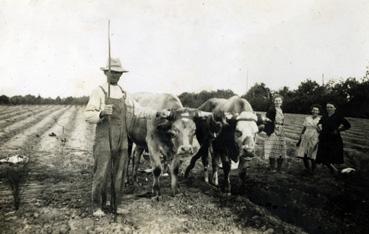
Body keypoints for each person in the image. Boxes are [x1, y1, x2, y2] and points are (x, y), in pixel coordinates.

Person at [84, 57, 155, 217]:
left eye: (119, 73)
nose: (117, 76)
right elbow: (88, 115)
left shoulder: (123, 93)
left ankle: (117, 204)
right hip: (104, 137)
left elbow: (139, 110)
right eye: (114, 73)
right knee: (102, 171)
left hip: (122, 137)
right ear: (106, 73)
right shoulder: (99, 91)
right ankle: (97, 206)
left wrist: (157, 113)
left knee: (120, 172)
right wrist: (101, 112)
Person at [315, 102, 351, 174]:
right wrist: (318, 129)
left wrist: (338, 130)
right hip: (323, 138)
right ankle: (335, 171)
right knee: (322, 156)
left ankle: (335, 172)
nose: (329, 109)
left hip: (334, 139)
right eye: (327, 107)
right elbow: (318, 124)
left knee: (330, 157)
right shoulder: (324, 116)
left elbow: (348, 125)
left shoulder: (338, 116)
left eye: (331, 107)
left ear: (335, 108)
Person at [264, 95, 287, 172]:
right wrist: (270, 131)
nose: (277, 102)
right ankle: (272, 167)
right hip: (273, 130)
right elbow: (267, 121)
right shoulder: (271, 110)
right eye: (276, 101)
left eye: (279, 101)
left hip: (281, 130)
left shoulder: (281, 110)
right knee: (272, 149)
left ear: (282, 102)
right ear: (274, 101)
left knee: (281, 149)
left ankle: (279, 168)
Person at [296, 105, 321, 173]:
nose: (315, 111)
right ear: (311, 111)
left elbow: (321, 131)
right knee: (303, 155)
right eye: (313, 110)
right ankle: (307, 168)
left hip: (314, 137)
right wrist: (300, 139)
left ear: (319, 112)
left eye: (316, 110)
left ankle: (313, 170)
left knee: (312, 155)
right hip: (306, 136)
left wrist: (318, 128)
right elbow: (304, 129)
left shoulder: (320, 119)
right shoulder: (307, 118)